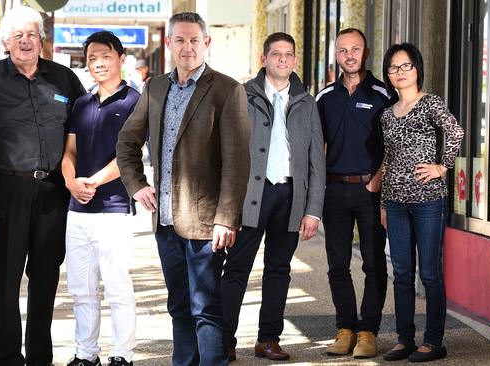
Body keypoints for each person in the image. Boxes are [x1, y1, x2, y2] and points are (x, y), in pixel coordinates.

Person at [116, 12, 250, 366]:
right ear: (170, 43)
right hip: (164, 219)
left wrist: (227, 218)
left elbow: (237, 163)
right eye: (180, 40)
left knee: (205, 306)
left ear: (206, 43)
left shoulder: (226, 89)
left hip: (207, 221)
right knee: (178, 305)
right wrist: (136, 185)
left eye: (194, 40)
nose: (187, 47)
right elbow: (127, 142)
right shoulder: (156, 87)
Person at [0, 6, 86, 365]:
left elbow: (84, 128)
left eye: (32, 34)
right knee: (5, 280)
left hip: (54, 192)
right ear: (6, 40)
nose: (25, 41)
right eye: (18, 35)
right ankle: (6, 358)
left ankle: (39, 357)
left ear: (42, 39)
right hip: (6, 191)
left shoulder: (65, 79)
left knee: (45, 277)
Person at [220, 32, 325, 362]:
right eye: (276, 53)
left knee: (279, 269)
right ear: (263, 59)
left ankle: (268, 339)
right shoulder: (242, 95)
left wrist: (313, 210)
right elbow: (227, 150)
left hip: (291, 196)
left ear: (295, 60)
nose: (283, 59)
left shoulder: (307, 103)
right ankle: (224, 340)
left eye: (289, 54)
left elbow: (316, 161)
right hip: (252, 194)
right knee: (236, 269)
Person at [380, 43, 463, 363]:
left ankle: (433, 341)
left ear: (417, 69)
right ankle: (404, 340)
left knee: (429, 273)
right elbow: (387, 159)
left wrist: (442, 167)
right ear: (388, 74)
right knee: (401, 273)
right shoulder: (387, 114)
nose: (400, 73)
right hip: (397, 204)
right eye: (393, 68)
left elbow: (455, 131)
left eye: (406, 66)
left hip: (428, 201)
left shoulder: (430, 103)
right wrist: (384, 204)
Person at [315, 28, 392, 358]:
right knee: (337, 265)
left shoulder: (383, 94)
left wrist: (379, 178)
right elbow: (314, 147)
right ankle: (345, 328)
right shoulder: (324, 97)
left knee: (374, 264)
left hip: (370, 191)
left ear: (367, 52)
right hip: (334, 190)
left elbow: (396, 143)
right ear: (336, 54)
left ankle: (368, 332)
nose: (349, 54)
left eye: (355, 48)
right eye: (343, 49)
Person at [62, 31, 138, 366]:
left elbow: (129, 155)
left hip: (114, 208)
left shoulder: (135, 101)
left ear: (121, 58)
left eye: (105, 56)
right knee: (81, 289)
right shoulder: (82, 104)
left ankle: (122, 354)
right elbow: (70, 151)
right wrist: (70, 182)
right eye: (92, 58)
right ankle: (85, 354)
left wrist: (92, 181)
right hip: (77, 209)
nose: (98, 63)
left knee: (117, 286)